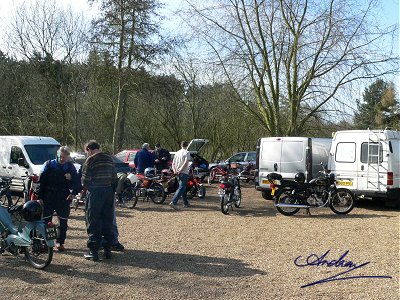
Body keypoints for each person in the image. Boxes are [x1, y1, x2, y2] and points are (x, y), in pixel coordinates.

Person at [38, 146, 80, 252]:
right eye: (61, 157)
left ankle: (60, 242)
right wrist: (40, 197)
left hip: (64, 197)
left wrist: (73, 193)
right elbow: (40, 182)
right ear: (57, 155)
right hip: (49, 196)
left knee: (63, 223)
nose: (62, 159)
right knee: (47, 221)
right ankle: (46, 243)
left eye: (65, 157)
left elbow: (77, 182)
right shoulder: (48, 164)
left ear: (68, 157)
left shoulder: (70, 167)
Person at [81, 140, 117, 261]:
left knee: (93, 220)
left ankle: (93, 251)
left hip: (96, 192)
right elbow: (114, 178)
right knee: (107, 220)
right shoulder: (110, 159)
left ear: (89, 150)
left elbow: (85, 180)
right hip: (108, 192)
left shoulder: (90, 160)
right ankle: (107, 250)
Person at [169, 141, 191, 210]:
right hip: (183, 172)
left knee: (183, 188)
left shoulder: (177, 153)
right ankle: (173, 202)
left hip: (177, 172)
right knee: (181, 187)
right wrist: (180, 170)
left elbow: (173, 163)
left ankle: (185, 202)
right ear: (187, 145)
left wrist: (175, 170)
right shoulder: (187, 152)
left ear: (181, 145)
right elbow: (185, 162)